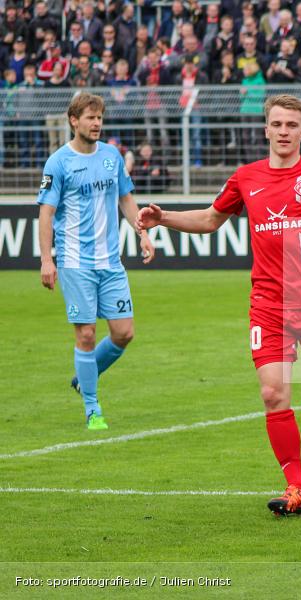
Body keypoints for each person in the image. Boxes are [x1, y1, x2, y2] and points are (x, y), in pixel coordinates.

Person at [135, 94, 301, 517]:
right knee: (273, 393)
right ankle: (298, 489)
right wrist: (165, 218)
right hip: (268, 305)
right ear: (266, 129)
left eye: (292, 125)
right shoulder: (246, 177)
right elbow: (212, 219)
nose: (284, 132)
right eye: (277, 124)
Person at [37, 93, 155, 430]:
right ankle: (92, 408)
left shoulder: (111, 157)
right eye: (90, 117)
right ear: (74, 120)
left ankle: (83, 378)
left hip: (110, 261)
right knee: (86, 334)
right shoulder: (58, 162)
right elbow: (46, 213)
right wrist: (47, 259)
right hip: (75, 262)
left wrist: (142, 232)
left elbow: (125, 198)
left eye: (100, 117)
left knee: (124, 332)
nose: (97, 123)